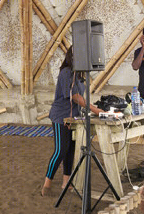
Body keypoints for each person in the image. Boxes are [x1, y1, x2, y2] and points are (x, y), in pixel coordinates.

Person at [42, 47, 104, 195]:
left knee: (70, 150)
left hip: (73, 117)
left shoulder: (78, 75)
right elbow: (75, 96)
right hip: (61, 117)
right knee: (60, 150)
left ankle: (66, 182)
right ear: (72, 57)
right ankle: (47, 184)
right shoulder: (66, 73)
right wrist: (95, 110)